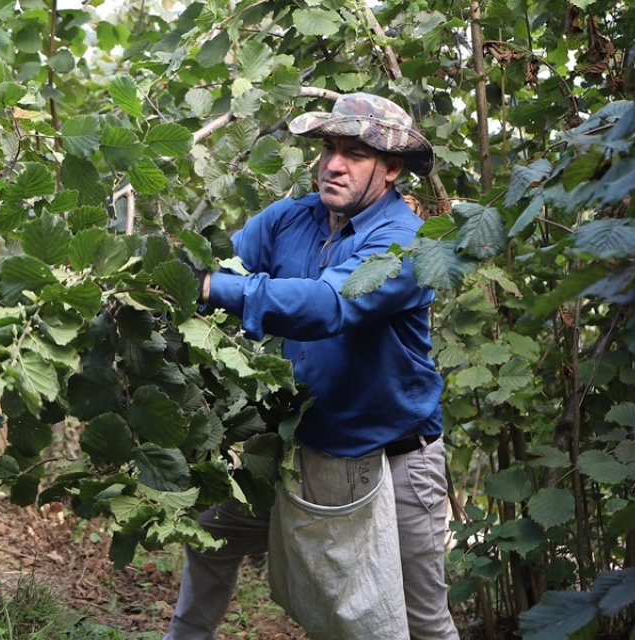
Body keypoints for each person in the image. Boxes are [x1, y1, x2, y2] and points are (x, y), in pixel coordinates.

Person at [166, 93, 458, 640]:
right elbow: (222, 265)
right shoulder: (291, 219)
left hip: (395, 462)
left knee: (422, 619)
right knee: (214, 533)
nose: (333, 164)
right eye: (328, 148)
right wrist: (160, 274)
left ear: (392, 169)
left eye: (355, 153)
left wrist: (214, 288)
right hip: (295, 448)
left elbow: (328, 305)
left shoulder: (405, 242)